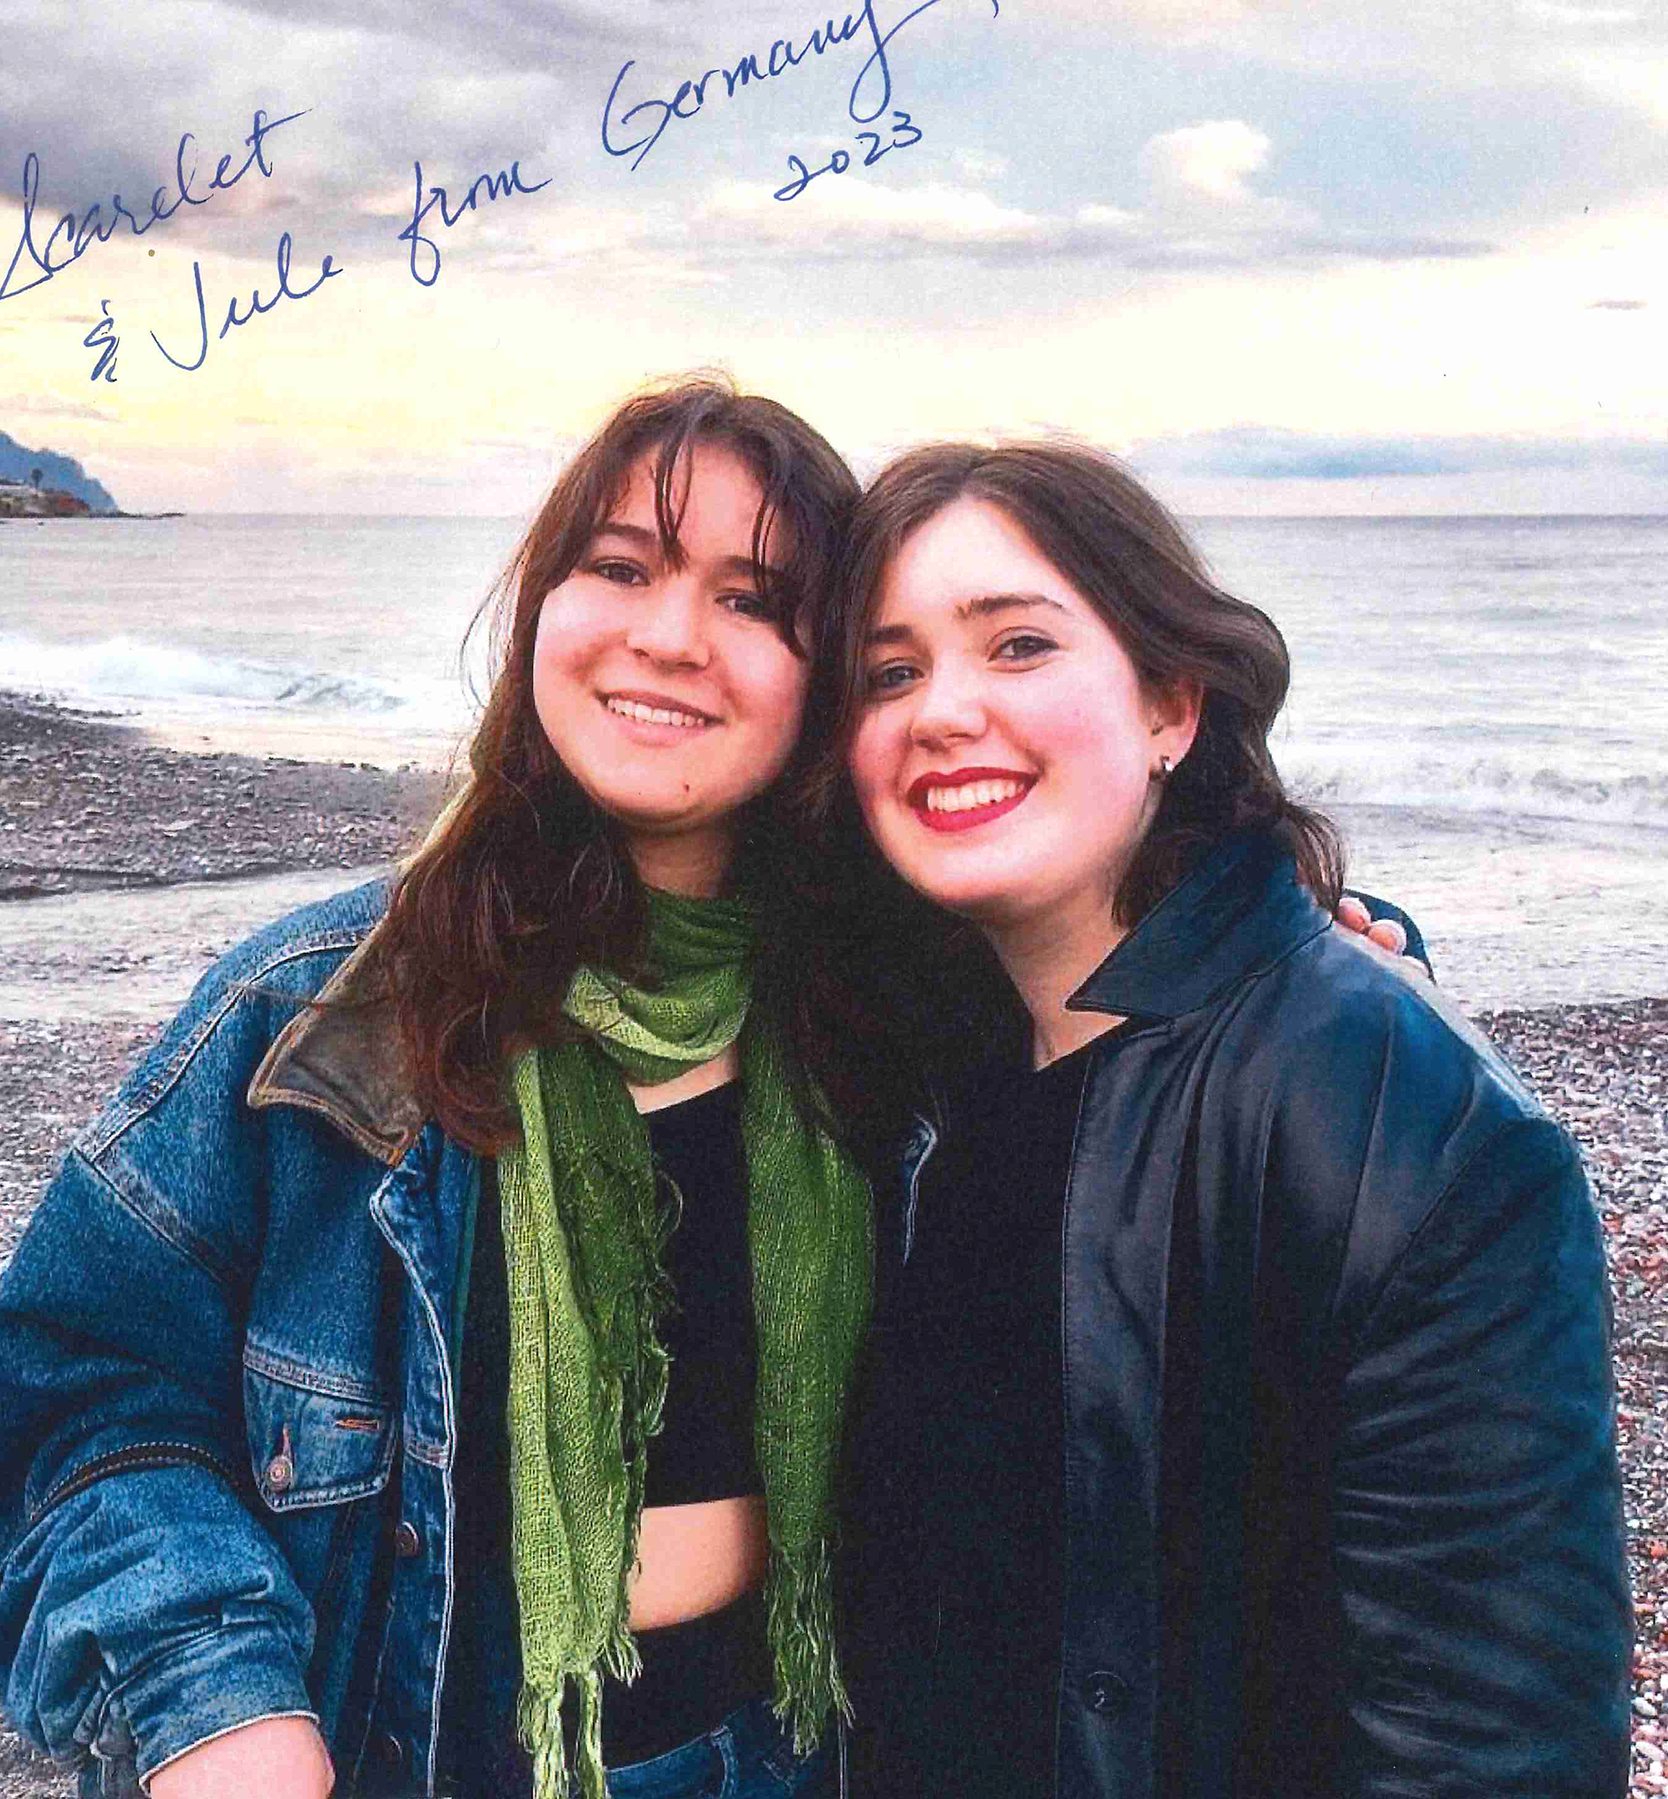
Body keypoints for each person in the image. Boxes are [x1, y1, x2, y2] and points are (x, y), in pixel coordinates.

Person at [0, 378, 873, 1799]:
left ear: (826, 672)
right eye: (621, 567)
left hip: (783, 1757)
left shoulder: (882, 1024)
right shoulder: (323, 1010)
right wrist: (218, 1708)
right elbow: (82, 1387)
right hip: (397, 1754)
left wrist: (1301, 927)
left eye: (753, 598)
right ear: (542, 605)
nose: (668, 635)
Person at [826, 441, 1632, 1797]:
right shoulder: (922, 1079)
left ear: (1171, 706)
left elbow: (1501, 1745)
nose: (942, 711)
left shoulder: (1402, 1122)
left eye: (1017, 645)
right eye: (887, 672)